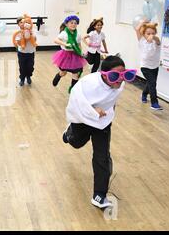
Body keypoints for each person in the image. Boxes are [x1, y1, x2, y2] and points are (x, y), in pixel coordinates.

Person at [62, 56, 136, 209]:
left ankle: (99, 195)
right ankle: (68, 134)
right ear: (104, 74)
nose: (120, 80)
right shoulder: (88, 84)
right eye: (115, 75)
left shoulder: (118, 84)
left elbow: (110, 100)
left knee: (102, 156)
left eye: (124, 75)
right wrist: (93, 111)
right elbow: (76, 101)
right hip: (82, 119)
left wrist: (106, 115)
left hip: (103, 122)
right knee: (77, 143)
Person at [52, 15, 87, 93]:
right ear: (67, 24)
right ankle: (58, 76)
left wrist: (81, 52)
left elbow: (79, 44)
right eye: (71, 23)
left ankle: (72, 89)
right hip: (65, 56)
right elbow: (55, 40)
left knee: (76, 74)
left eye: (75, 23)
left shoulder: (78, 34)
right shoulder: (64, 33)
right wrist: (64, 44)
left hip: (75, 55)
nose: (74, 24)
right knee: (63, 73)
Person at [134, 21, 162, 110]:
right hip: (145, 66)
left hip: (155, 66)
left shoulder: (156, 42)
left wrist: (154, 37)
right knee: (152, 83)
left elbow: (158, 40)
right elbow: (137, 29)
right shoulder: (141, 40)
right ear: (144, 33)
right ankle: (154, 103)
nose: (150, 35)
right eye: (148, 33)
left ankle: (144, 94)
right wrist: (143, 22)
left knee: (151, 83)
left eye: (153, 33)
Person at [12, 16, 37, 86]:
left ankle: (28, 76)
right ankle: (22, 78)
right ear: (18, 24)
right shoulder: (18, 33)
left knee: (30, 66)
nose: (23, 24)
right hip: (22, 53)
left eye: (24, 22)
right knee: (22, 67)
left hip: (31, 52)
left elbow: (35, 40)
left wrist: (30, 35)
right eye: (21, 22)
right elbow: (17, 42)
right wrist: (22, 39)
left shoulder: (32, 30)